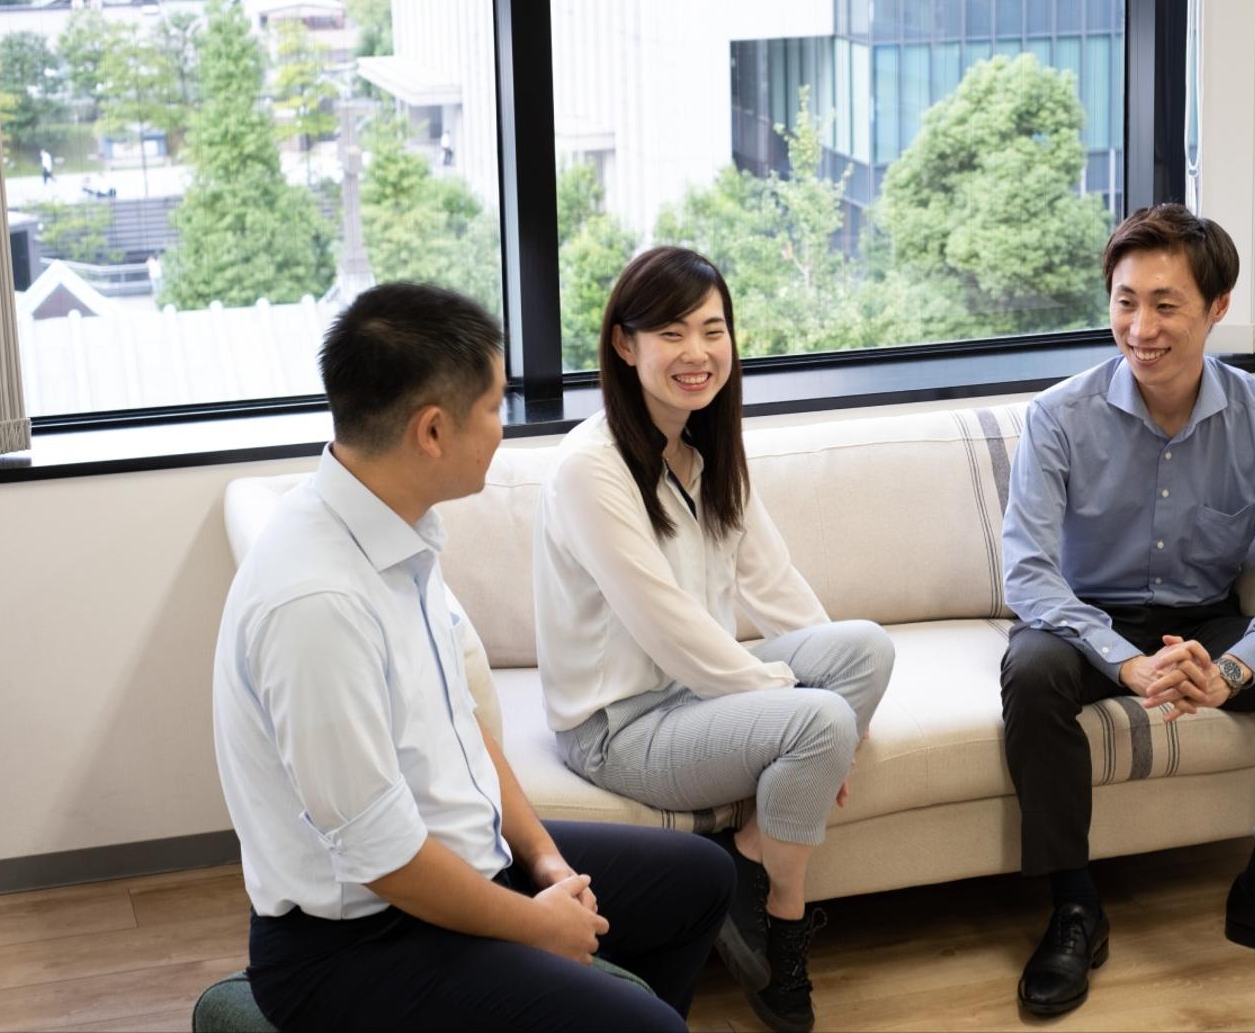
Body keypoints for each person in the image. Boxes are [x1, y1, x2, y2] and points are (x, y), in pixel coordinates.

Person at [212, 282, 732, 1033]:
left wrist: (546, 862)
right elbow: (385, 859)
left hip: (467, 859)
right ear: (432, 431)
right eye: (492, 407)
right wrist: (537, 925)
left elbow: (463, 726)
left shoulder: (398, 529)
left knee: (701, 878)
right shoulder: (316, 601)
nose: (502, 428)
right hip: (359, 943)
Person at [999, 204, 1255, 1017]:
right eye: (1125, 302)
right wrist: (1127, 663)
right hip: (1091, 622)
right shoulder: (1059, 417)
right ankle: (1073, 905)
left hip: (1209, 622)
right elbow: (1027, 574)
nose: (1141, 329)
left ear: (1217, 307)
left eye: (1166, 305)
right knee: (1030, 669)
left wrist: (1232, 670)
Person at [534, 245, 895, 1033]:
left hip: (695, 697)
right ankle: (782, 919)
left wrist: (834, 710)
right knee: (820, 719)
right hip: (618, 727)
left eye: (712, 329)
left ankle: (751, 852)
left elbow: (775, 585)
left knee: (866, 648)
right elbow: (669, 627)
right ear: (624, 344)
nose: (696, 353)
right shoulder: (591, 468)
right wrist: (813, 715)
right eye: (671, 333)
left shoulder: (705, 448)